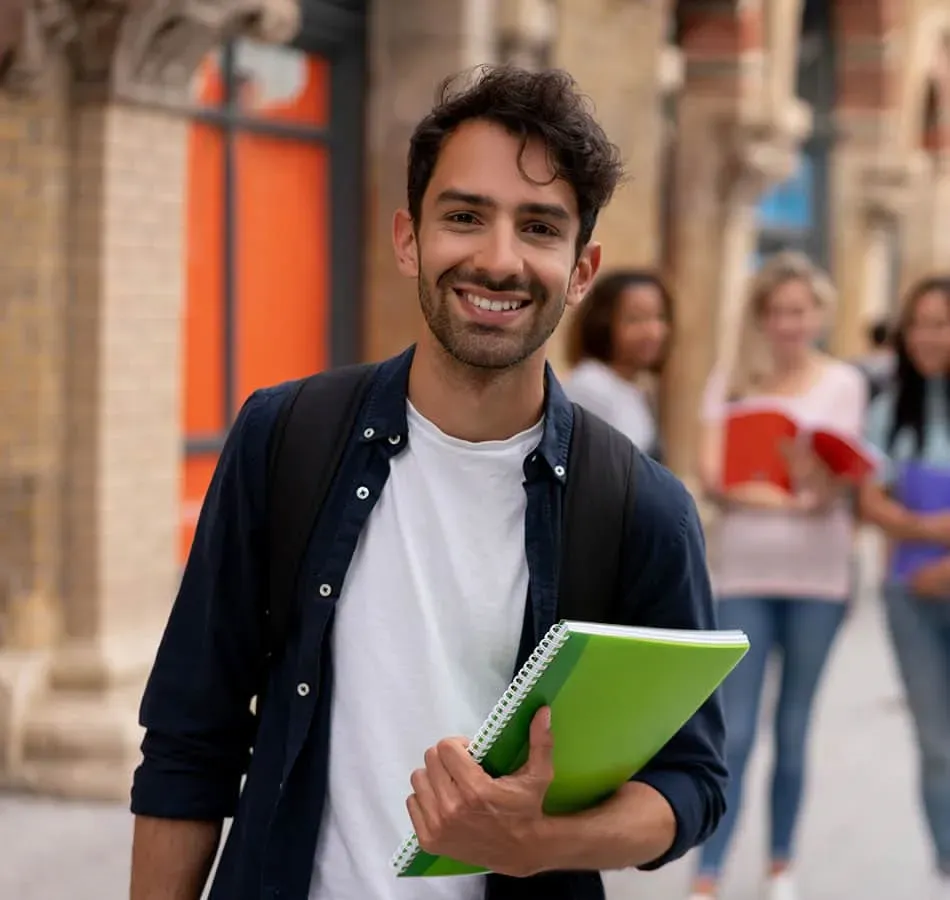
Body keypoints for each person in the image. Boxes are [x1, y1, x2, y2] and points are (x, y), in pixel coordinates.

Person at [129, 65, 727, 900]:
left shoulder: (641, 509)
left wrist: (540, 841)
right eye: (465, 217)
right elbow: (190, 744)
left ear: (582, 268)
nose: (498, 259)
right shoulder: (286, 438)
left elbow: (694, 783)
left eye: (540, 228)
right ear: (409, 236)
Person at [691, 251, 867, 900]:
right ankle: (708, 870)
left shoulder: (844, 383)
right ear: (760, 318)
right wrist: (790, 496)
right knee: (734, 730)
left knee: (795, 726)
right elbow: (716, 476)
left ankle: (780, 865)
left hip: (819, 579)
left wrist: (796, 486)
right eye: (777, 312)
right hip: (741, 574)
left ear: (818, 315)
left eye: (800, 311)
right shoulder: (731, 380)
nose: (789, 324)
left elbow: (832, 480)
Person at [859, 276, 950, 900]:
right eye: (918, 323)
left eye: (941, 323)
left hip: (934, 575)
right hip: (908, 596)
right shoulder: (890, 406)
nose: (927, 336)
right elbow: (869, 498)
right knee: (935, 739)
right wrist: (924, 527)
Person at [563, 269, 672, 462]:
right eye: (636, 320)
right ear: (603, 323)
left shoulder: (634, 388)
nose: (653, 331)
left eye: (659, 317)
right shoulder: (591, 386)